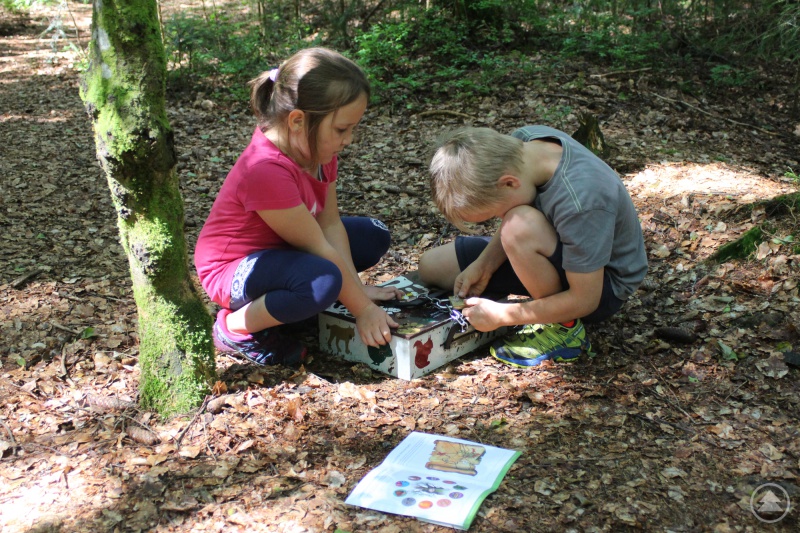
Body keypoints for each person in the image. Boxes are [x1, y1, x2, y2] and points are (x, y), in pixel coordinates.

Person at [194, 47, 401, 367]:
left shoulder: (318, 151)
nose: (348, 139)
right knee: (323, 280)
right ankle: (232, 328)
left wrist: (358, 293)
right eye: (342, 129)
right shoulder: (265, 169)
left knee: (373, 235)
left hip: (281, 252)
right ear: (297, 121)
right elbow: (318, 246)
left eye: (352, 128)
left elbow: (329, 224)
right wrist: (363, 310)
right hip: (230, 270)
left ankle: (293, 303)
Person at [418, 125, 647, 367]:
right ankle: (542, 298)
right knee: (433, 266)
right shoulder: (522, 144)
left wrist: (503, 315)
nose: (501, 219)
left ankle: (565, 331)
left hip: (601, 287)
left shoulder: (582, 200)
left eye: (497, 213)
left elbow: (585, 300)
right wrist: (483, 266)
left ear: (509, 183)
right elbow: (517, 223)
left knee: (518, 225)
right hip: (550, 247)